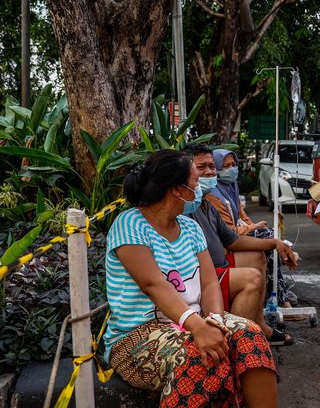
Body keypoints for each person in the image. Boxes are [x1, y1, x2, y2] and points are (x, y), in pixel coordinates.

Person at [103, 149, 277, 407]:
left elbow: (208, 282)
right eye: (195, 182)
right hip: (136, 335)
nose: (199, 187)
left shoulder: (190, 227)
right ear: (177, 189)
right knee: (200, 356)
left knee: (250, 336)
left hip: (194, 321)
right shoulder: (130, 224)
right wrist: (197, 327)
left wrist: (216, 320)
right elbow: (153, 284)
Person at [184, 143, 295, 345]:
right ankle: (240, 344)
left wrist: (274, 243)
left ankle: (258, 323)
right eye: (202, 168)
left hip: (217, 266)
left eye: (212, 166)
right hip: (201, 275)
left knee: (256, 255)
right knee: (251, 278)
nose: (210, 172)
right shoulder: (184, 205)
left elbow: (233, 240)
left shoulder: (206, 203)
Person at [208, 148, 299, 316]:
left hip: (235, 237)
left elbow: (242, 215)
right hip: (224, 246)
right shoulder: (212, 195)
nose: (231, 169)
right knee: (268, 239)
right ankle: (281, 298)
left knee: (267, 240)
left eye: (234, 165)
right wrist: (253, 228)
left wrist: (254, 226)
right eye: (225, 166)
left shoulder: (230, 188)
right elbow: (229, 232)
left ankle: (278, 297)